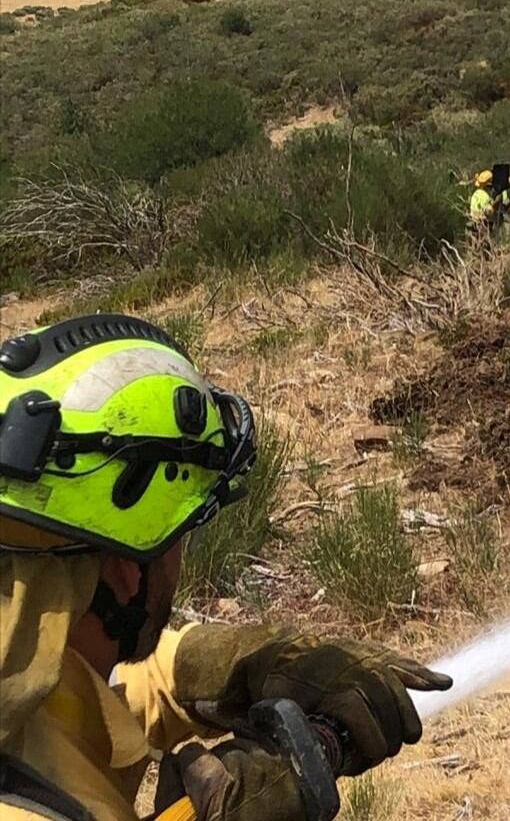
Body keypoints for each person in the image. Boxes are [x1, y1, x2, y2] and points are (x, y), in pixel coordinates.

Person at [0, 314, 451, 821]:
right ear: (128, 568)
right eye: (176, 537)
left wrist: (242, 663)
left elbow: (112, 682)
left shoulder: (25, 654)